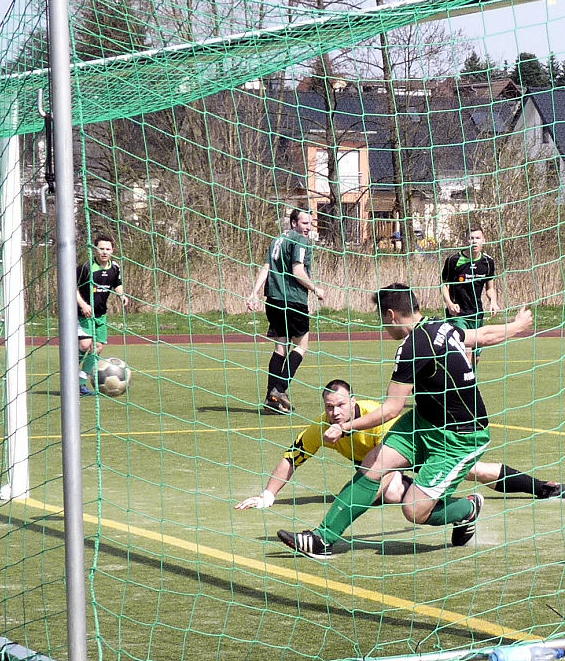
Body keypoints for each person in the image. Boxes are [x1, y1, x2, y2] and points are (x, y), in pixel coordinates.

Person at [276, 284, 533, 559]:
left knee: (413, 510)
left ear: (391, 315)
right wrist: (516, 326)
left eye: (382, 320)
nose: (384, 328)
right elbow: (481, 334)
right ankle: (321, 539)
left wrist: (344, 427)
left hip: (461, 438)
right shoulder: (440, 326)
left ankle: (467, 509)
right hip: (423, 422)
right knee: (373, 465)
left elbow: (391, 409)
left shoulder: (411, 348)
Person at [236, 380, 563, 511]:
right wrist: (269, 496)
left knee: (474, 471)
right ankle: (460, 507)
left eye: (339, 405)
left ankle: (543, 487)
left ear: (351, 401)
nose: (334, 412)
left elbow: (384, 463)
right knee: (388, 491)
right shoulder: (322, 427)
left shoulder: (377, 420)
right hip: (387, 463)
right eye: (329, 407)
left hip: (417, 445)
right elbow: (291, 458)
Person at [247, 208, 324, 414]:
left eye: (310, 224)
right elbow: (297, 271)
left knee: (280, 347)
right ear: (293, 223)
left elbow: (266, 267)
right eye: (304, 223)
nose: (308, 228)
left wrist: (254, 293)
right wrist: (315, 289)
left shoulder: (277, 241)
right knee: (301, 346)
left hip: (273, 300)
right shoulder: (300, 241)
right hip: (293, 301)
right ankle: (279, 390)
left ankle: (270, 399)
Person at [76, 234, 128, 396]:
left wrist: (121, 295)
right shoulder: (85, 268)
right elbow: (72, 288)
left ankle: (80, 383)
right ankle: (69, 373)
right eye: (101, 248)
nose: (104, 252)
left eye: (107, 249)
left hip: (100, 314)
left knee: (97, 347)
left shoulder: (115, 267)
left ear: (112, 250)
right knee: (85, 345)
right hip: (83, 313)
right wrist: (83, 305)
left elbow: (117, 284)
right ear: (95, 250)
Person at [441, 225, 499, 365]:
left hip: (476, 314)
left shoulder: (488, 262)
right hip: (458, 314)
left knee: (476, 357)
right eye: (471, 238)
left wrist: (493, 301)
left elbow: (490, 288)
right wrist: (449, 303)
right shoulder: (454, 260)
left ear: (483, 240)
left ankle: (471, 383)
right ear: (466, 241)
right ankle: (466, 386)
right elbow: (444, 285)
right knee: (466, 352)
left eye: (477, 238)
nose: (474, 241)